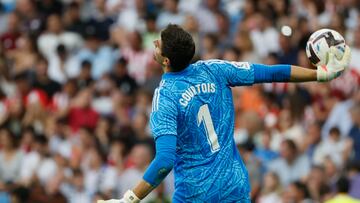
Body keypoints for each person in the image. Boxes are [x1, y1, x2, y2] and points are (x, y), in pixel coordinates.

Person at [99, 24, 351, 203]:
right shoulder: (215, 69)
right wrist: (319, 75)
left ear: (165, 60)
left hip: (195, 193)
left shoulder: (164, 97)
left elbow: (164, 161)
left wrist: (129, 198)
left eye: (158, 43)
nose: (154, 43)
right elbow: (272, 72)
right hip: (234, 184)